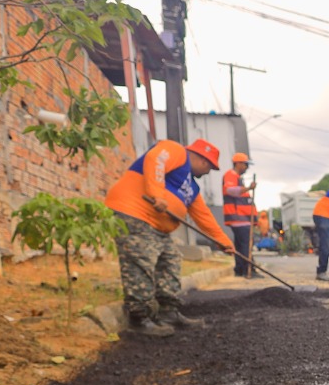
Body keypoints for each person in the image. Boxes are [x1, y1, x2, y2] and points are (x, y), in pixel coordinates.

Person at [103, 137, 232, 337]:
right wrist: (158, 195)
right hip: (135, 213)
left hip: (157, 227)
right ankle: (139, 318)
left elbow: (203, 215)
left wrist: (223, 241)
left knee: (170, 260)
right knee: (140, 261)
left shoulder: (192, 187)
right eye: (209, 168)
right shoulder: (176, 151)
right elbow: (156, 159)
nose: (207, 173)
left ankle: (168, 312)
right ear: (203, 161)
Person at [222, 151, 258, 278]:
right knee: (245, 245)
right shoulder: (231, 175)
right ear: (238, 164)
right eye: (245, 164)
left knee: (240, 245)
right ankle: (248, 269)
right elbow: (230, 190)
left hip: (241, 218)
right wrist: (248, 188)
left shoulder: (238, 178)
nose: (247, 167)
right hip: (238, 218)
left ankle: (239, 269)